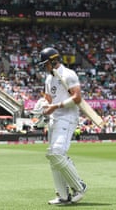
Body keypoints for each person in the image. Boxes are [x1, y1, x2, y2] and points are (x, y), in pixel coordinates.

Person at [37, 47, 88, 205]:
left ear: (53, 61)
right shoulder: (49, 78)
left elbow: (77, 98)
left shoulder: (68, 74)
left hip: (67, 117)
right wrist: (42, 106)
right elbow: (49, 100)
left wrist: (56, 106)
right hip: (54, 119)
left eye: (46, 64)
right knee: (53, 156)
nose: (44, 67)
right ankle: (63, 195)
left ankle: (79, 186)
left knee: (58, 152)